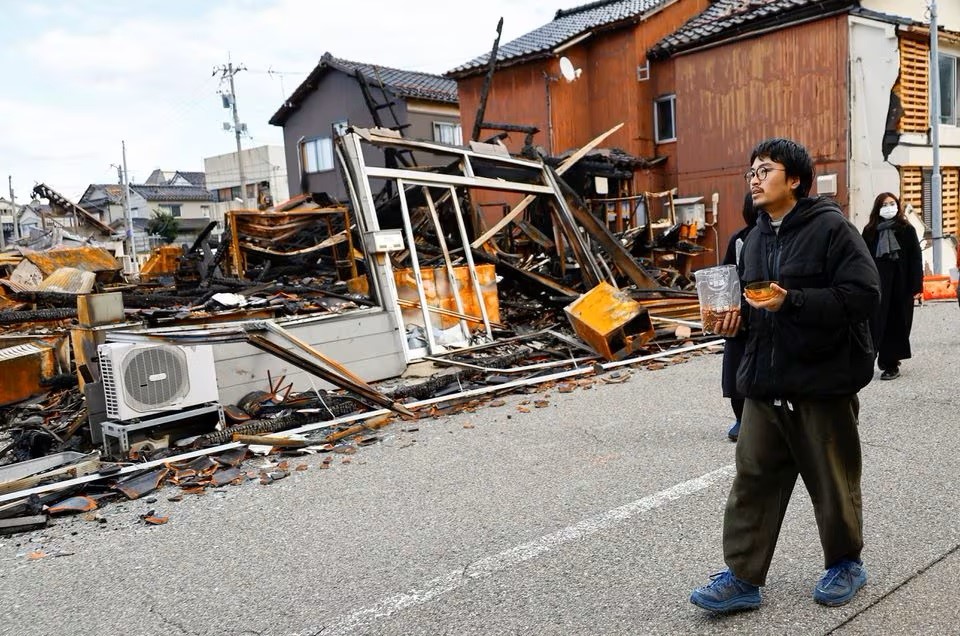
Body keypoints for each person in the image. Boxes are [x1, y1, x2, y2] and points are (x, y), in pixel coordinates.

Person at [690, 138, 880, 613]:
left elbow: (863, 294)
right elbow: (756, 311)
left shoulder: (831, 229)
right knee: (752, 480)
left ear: (794, 179)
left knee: (832, 481)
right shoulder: (752, 238)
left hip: (821, 382)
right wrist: (734, 321)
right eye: (751, 172)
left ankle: (845, 563)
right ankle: (742, 576)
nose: (754, 178)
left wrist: (792, 301)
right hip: (765, 384)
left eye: (765, 170)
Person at [860, 193, 923, 380]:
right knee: (874, 324)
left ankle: (890, 363)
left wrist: (916, 286)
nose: (889, 207)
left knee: (897, 324)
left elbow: (915, 259)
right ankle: (868, 360)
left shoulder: (906, 230)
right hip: (877, 286)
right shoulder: (870, 231)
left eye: (892, 203)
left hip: (900, 287)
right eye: (885, 204)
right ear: (878, 208)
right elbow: (862, 258)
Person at [720, 193, 759, 441]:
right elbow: (726, 275)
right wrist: (726, 309)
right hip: (740, 313)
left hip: (768, 311)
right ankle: (740, 417)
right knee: (734, 366)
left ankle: (764, 419)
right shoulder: (740, 238)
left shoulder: (784, 237)